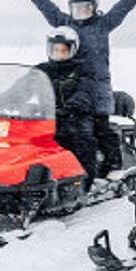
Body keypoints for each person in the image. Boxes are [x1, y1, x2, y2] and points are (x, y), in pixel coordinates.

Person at [13, 0, 136, 179]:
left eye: (86, 8)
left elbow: (122, 8)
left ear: (94, 8)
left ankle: (113, 166)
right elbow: (45, 6)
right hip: (70, 83)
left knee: (101, 129)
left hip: (97, 89)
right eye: (77, 8)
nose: (81, 12)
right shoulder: (64, 24)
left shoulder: (103, 24)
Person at [34, 26, 98, 191]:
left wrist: (73, 106)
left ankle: (84, 182)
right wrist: (4, 99)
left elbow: (86, 90)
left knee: (82, 140)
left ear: (73, 50)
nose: (59, 54)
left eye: (63, 50)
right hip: (47, 116)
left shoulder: (83, 69)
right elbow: (23, 86)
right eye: (56, 50)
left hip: (76, 115)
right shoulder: (42, 70)